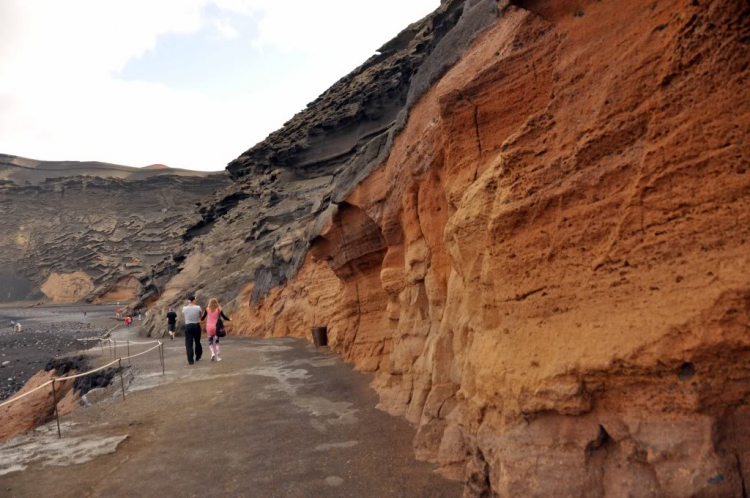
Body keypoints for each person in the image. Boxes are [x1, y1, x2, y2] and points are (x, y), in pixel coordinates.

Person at [182, 295, 203, 365]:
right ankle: (198, 356)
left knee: (188, 344)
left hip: (188, 325)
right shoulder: (198, 307)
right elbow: (200, 316)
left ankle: (190, 360)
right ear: (193, 300)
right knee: (197, 342)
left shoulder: (184, 308)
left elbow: (185, 316)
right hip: (196, 325)